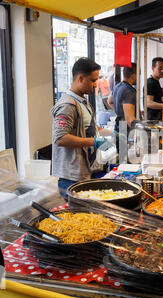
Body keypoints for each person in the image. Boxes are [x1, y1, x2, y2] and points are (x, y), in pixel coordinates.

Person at [51, 57, 112, 199]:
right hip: (71, 177)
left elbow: (90, 128)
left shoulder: (83, 103)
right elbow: (60, 138)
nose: (96, 84)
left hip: (85, 171)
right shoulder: (67, 105)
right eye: (92, 80)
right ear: (80, 78)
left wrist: (111, 133)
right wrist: (94, 142)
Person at [107, 63, 137, 132]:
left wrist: (120, 112)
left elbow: (110, 101)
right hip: (126, 132)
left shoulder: (117, 86)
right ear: (133, 75)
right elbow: (129, 120)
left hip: (118, 127)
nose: (139, 77)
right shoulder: (129, 91)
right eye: (138, 74)